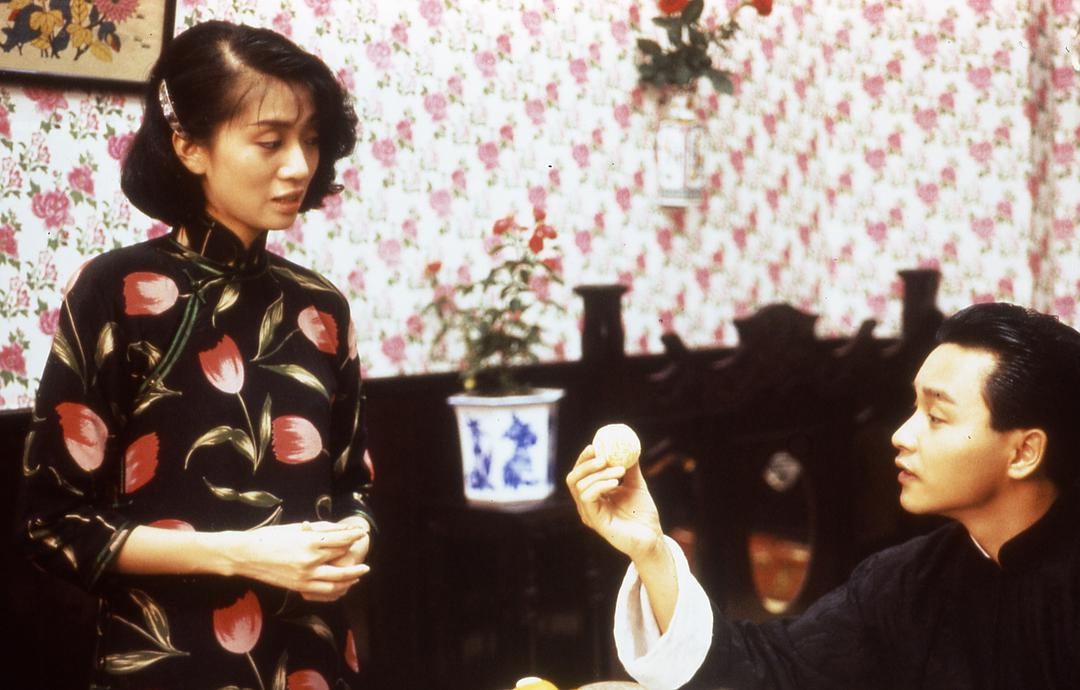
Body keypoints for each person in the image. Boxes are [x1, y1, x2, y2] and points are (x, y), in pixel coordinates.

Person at [14, 21, 374, 690]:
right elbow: (55, 527)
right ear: (188, 146)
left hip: (314, 659)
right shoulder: (117, 290)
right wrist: (241, 554)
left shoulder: (322, 306)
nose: (300, 166)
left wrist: (355, 533)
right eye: (270, 141)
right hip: (170, 661)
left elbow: (354, 486)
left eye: (311, 139)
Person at [567, 302, 1080, 689]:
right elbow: (770, 671)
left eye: (937, 416)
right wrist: (651, 550)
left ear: (1024, 452)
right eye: (913, 409)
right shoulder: (906, 580)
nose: (901, 435)